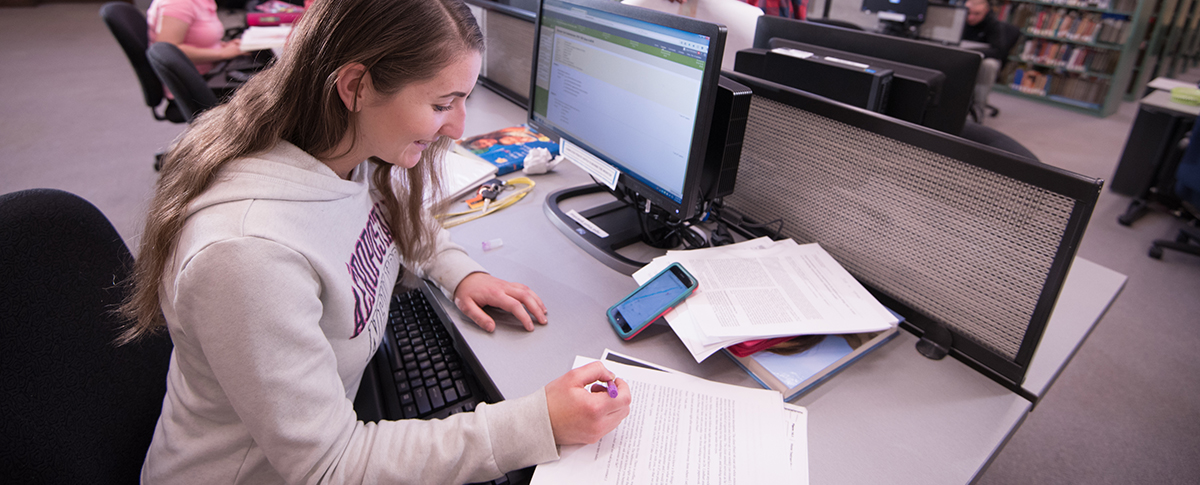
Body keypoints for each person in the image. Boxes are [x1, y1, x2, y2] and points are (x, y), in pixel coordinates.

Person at [119, 0, 631, 483]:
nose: (457, 127)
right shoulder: (248, 254)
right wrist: (537, 423)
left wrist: (460, 271)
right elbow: (331, 467)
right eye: (441, 103)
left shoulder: (340, 146)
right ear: (356, 86)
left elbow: (388, 216)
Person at [147, 0, 245, 76]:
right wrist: (221, 53)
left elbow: (196, 35)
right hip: (192, 82)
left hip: (210, 68)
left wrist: (222, 46)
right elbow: (167, 52)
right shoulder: (177, 3)